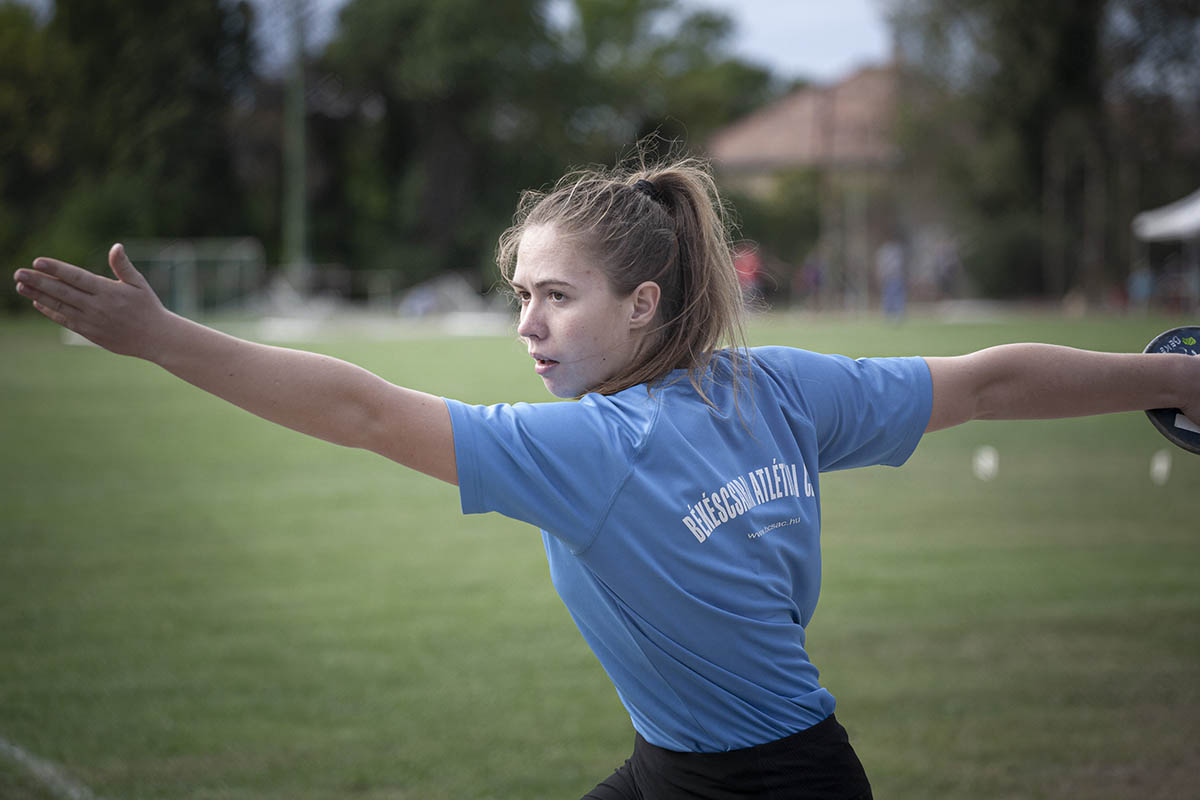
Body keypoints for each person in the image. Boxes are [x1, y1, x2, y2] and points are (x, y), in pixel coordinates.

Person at [12, 156, 1199, 800]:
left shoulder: (590, 448)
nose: (527, 323)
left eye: (555, 296)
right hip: (706, 768)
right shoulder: (774, 384)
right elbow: (990, 384)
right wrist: (1181, 385)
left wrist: (166, 338)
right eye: (518, 293)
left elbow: (363, 410)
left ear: (642, 303)